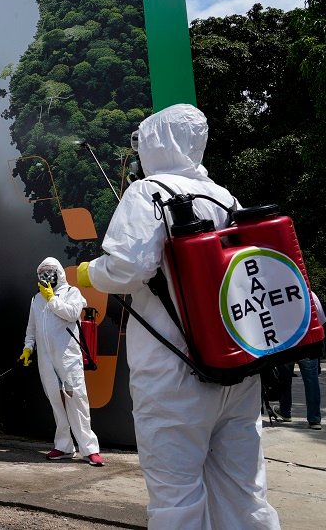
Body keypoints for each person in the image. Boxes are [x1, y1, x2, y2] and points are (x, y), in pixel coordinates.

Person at [77, 104, 280, 528]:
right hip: (235, 361)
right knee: (244, 488)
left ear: (154, 142)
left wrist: (87, 271)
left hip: (173, 372)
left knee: (177, 493)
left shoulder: (145, 193)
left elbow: (126, 269)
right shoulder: (224, 195)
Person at [19, 257, 103, 466]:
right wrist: (28, 348)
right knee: (56, 401)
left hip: (68, 356)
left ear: (58, 273)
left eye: (50, 271)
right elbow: (32, 329)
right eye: (42, 273)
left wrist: (52, 299)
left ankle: (90, 448)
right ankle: (64, 446)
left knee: (78, 400)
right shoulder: (36, 299)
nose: (46, 276)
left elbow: (72, 313)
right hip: (45, 359)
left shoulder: (71, 293)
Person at [276, 291, 324, 428]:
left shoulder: (277, 291)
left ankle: (285, 411)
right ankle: (314, 419)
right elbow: (321, 318)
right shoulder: (310, 294)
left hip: (287, 343)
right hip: (308, 342)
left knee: (284, 379)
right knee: (312, 381)